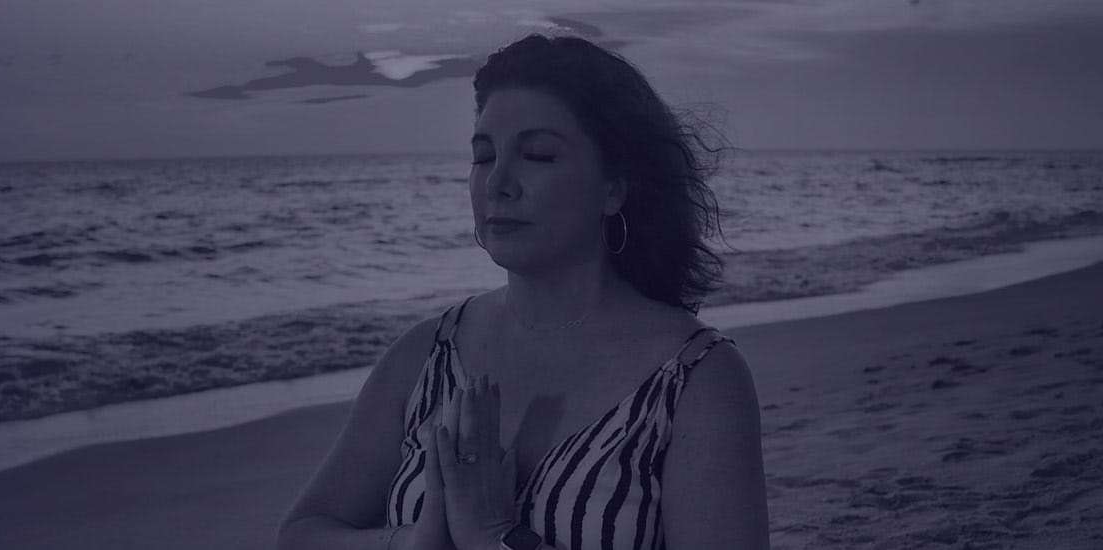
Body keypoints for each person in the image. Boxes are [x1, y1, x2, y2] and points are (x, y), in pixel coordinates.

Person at [276, 34, 768, 550]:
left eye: (536, 155)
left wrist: (496, 538)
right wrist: (413, 543)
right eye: (484, 156)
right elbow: (303, 532)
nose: (497, 183)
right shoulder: (426, 356)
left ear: (614, 187)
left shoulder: (695, 379)